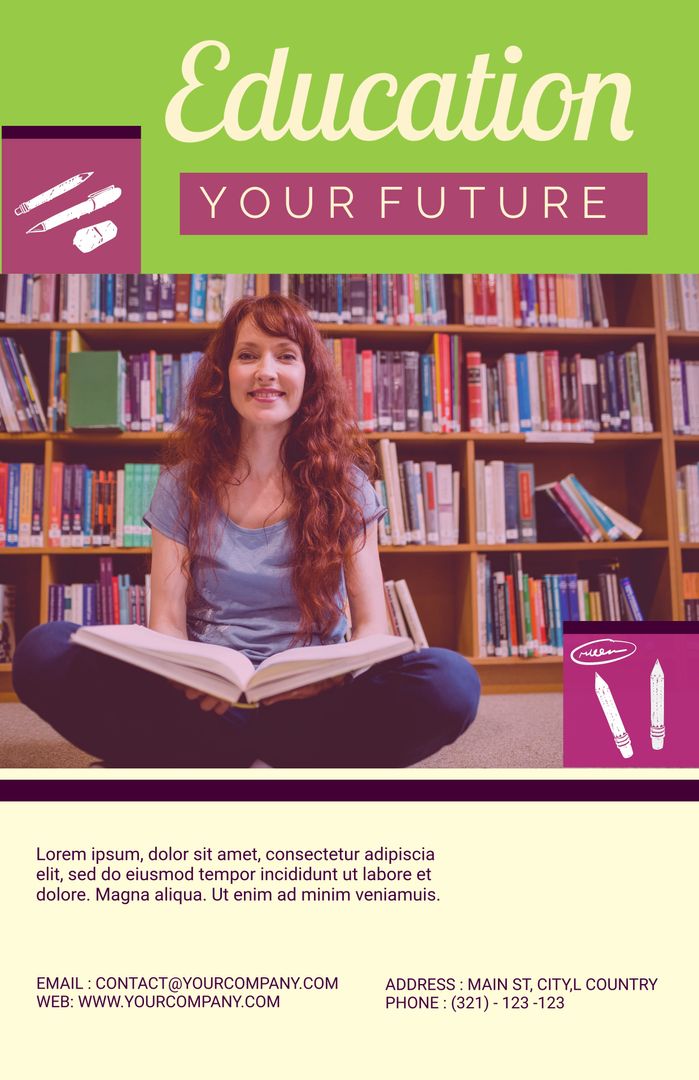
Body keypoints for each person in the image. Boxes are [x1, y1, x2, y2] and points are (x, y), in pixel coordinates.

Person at [13, 294, 480, 767]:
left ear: (309, 377)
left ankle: (204, 761)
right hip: (207, 706)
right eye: (248, 355)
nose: (266, 372)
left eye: (286, 356)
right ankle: (271, 760)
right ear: (224, 374)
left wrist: (332, 676)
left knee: (450, 681)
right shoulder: (181, 485)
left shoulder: (348, 485)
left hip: (315, 703)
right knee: (44, 650)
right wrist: (188, 678)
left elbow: (371, 625)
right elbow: (168, 622)